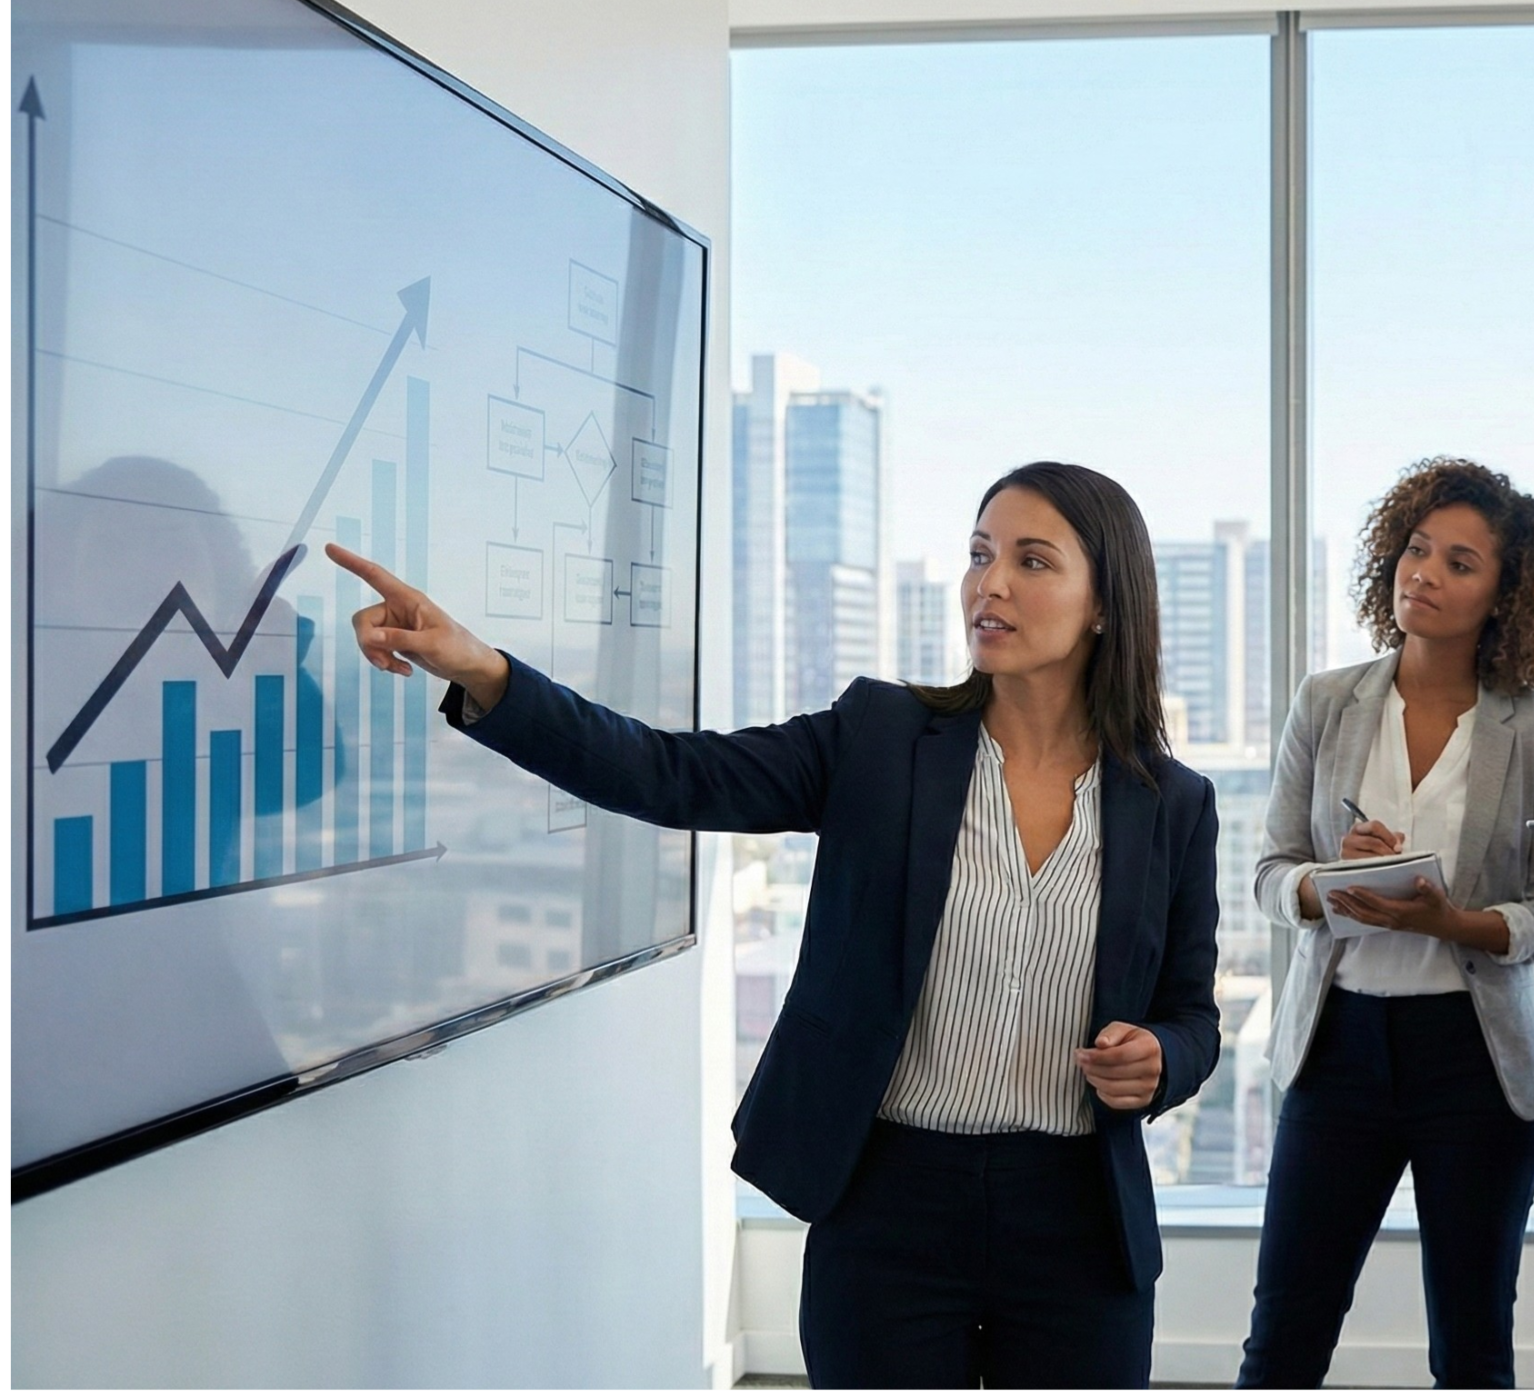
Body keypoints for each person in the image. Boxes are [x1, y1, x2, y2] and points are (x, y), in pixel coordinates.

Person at [329, 461, 1221, 1389]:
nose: (989, 584)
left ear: (1106, 604)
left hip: (1077, 1220)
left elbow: (1194, 1016)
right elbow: (671, 774)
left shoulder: (1175, 806)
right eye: (979, 553)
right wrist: (483, 669)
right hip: (888, 1207)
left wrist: (1161, 1056)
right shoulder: (880, 737)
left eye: (1032, 561)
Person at [1239, 457, 1534, 1389]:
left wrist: (1456, 922)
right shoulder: (1327, 702)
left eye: (1459, 562)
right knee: (1284, 1336)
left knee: (1473, 1350)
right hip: (1338, 1048)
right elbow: (1270, 877)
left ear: (1505, 594)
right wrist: (1326, 888)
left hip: (1474, 1062)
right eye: (1416, 548)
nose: (1423, 572)